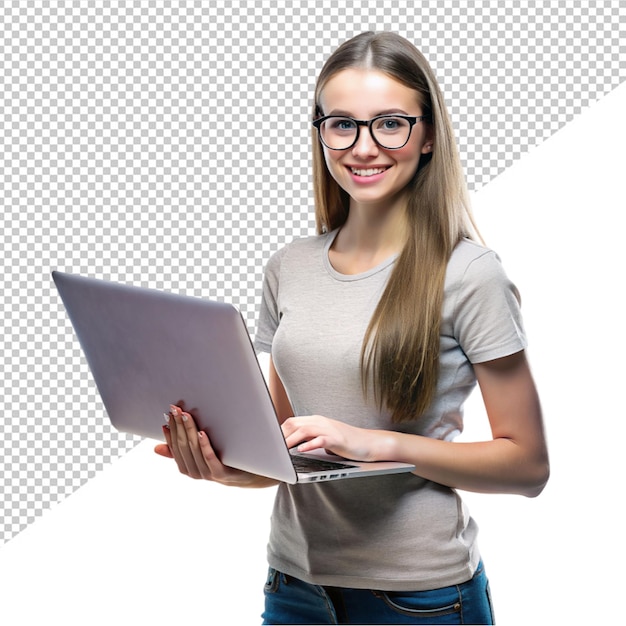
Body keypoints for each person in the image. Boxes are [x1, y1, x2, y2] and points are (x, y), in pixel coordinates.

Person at [154, 31, 549, 625]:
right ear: (321, 133)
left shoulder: (468, 274)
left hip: (420, 599)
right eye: (343, 124)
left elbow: (528, 466)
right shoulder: (290, 266)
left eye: (390, 124)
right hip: (294, 588)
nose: (363, 147)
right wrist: (224, 466)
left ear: (429, 135)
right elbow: (292, 449)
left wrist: (381, 445)